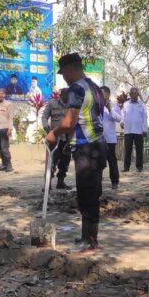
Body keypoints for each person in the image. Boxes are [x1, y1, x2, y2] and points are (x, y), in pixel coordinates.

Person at [45, 53, 107, 254]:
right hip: (98, 145)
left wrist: (54, 133)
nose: (64, 78)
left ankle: (90, 241)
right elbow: (87, 119)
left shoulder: (76, 88)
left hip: (87, 148)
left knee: (87, 195)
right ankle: (88, 236)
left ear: (70, 69)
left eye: (63, 74)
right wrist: (69, 143)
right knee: (91, 193)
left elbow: (69, 122)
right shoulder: (95, 88)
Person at [41, 88, 72, 190]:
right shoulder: (52, 103)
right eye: (65, 95)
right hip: (54, 138)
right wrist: (46, 128)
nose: (66, 97)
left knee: (65, 161)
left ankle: (60, 182)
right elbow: (44, 117)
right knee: (51, 161)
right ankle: (47, 184)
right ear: (60, 95)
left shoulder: (72, 106)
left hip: (67, 139)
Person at [121, 87, 148, 173]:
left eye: (135, 93)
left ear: (138, 94)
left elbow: (144, 117)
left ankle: (139, 167)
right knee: (127, 150)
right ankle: (126, 167)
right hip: (128, 130)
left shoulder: (142, 105)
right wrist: (122, 122)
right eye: (132, 93)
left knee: (139, 149)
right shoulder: (125, 104)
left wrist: (144, 129)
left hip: (139, 130)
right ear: (130, 94)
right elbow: (122, 115)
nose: (133, 95)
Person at [101, 86, 122, 189]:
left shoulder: (114, 105)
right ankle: (97, 180)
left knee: (112, 160)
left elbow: (119, 118)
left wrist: (110, 109)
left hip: (110, 138)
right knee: (99, 160)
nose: (100, 95)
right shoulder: (96, 105)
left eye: (102, 93)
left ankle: (115, 181)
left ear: (108, 94)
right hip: (99, 138)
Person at [0, 88, 14, 172]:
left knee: (4, 148)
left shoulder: (8, 104)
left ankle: (9, 165)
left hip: (4, 129)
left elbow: (11, 117)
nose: (1, 95)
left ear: (5, 95)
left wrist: (10, 129)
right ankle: (4, 164)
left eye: (2, 93)